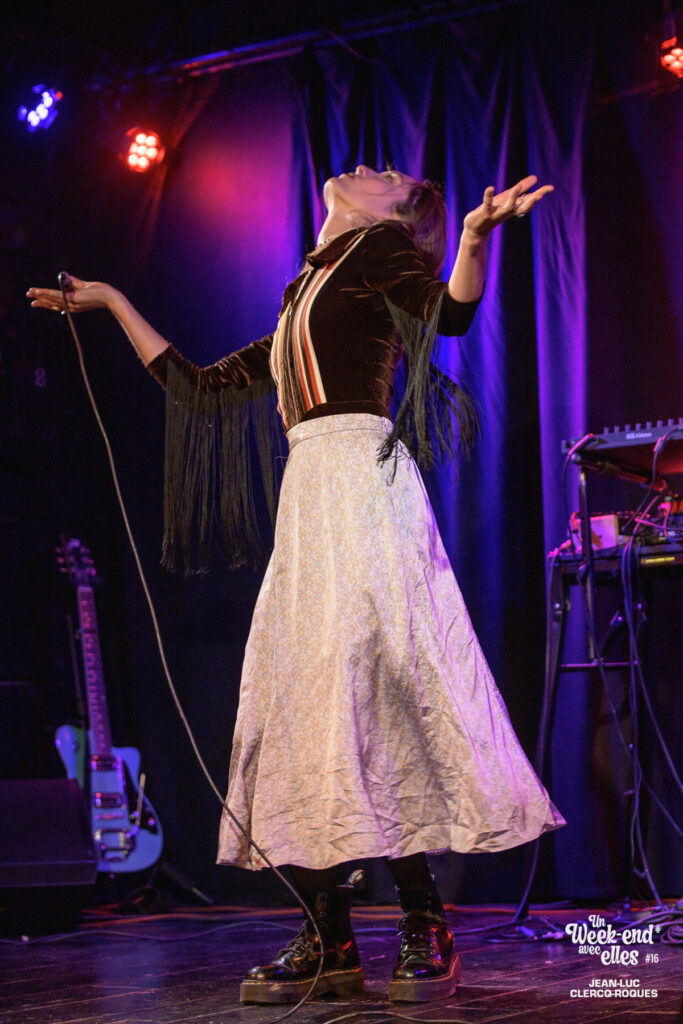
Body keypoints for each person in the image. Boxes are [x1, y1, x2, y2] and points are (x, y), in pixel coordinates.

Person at [28, 166, 563, 1004]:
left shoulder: (381, 249)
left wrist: (469, 238)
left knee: (378, 691)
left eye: (388, 174)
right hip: (309, 498)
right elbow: (198, 388)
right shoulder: (304, 291)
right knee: (302, 709)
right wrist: (115, 303)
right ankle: (328, 934)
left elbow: (451, 314)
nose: (369, 167)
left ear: (396, 213)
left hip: (361, 486)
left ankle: (423, 920)